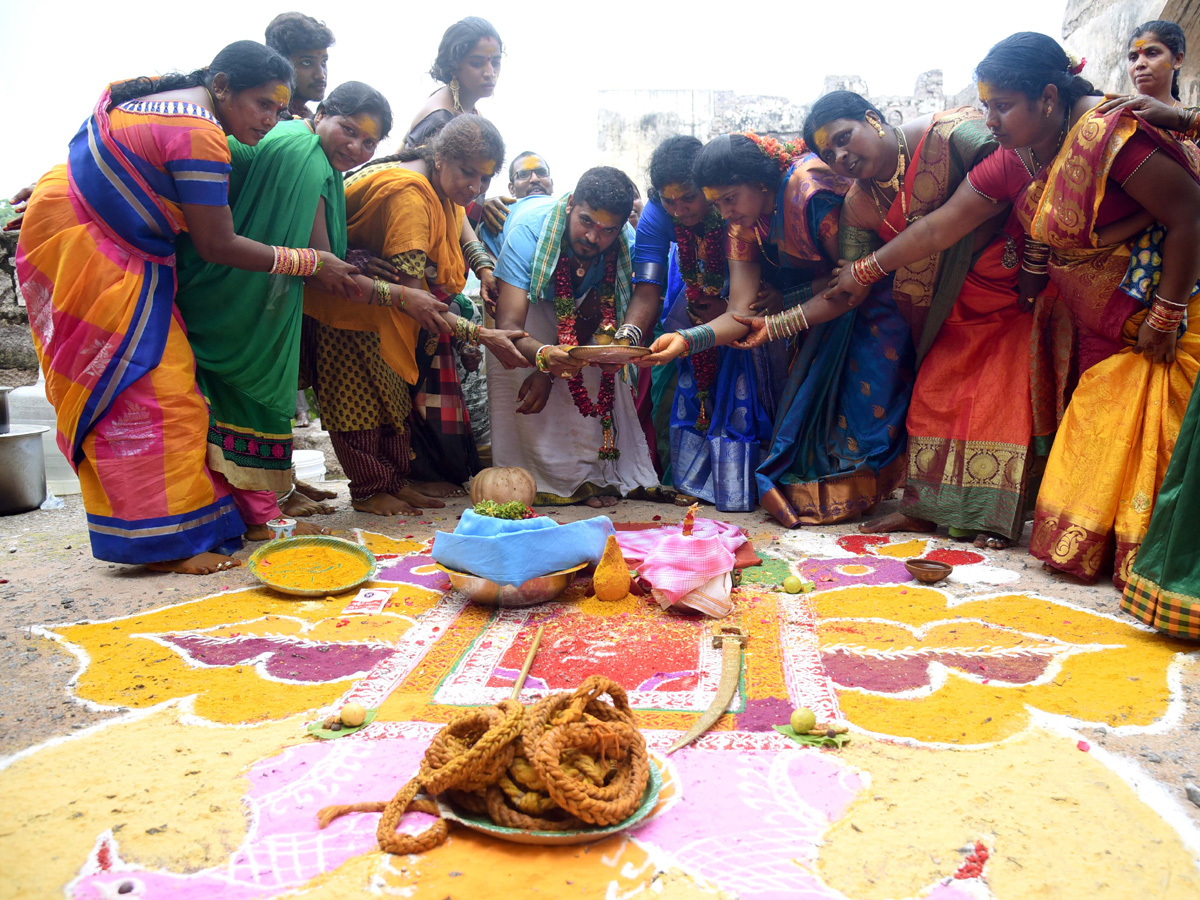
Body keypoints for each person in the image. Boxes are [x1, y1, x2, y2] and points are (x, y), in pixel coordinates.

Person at [824, 31, 1200, 587]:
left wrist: (1165, 315)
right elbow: (941, 225)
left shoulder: (1109, 136)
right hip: (1093, 311)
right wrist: (868, 269)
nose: (990, 120)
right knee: (1102, 431)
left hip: (1155, 310)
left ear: (1048, 98)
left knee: (1147, 430)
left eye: (1002, 106)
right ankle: (1114, 550)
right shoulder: (1018, 154)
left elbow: (1191, 212)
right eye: (986, 107)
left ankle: (1157, 556)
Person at [15, 41, 359, 574]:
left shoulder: (175, 104)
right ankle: (163, 545)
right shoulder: (199, 131)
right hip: (94, 243)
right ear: (221, 85)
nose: (271, 119)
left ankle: (189, 524)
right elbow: (217, 245)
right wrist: (309, 261)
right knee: (151, 393)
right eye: (262, 104)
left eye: (279, 108)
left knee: (165, 388)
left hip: (92, 228)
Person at [741, 92, 1030, 548]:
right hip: (942, 310)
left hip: (1008, 289)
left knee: (997, 398)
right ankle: (928, 510)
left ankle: (993, 518)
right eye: (829, 154)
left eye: (844, 138)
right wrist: (774, 326)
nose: (841, 157)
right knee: (934, 398)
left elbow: (1021, 173)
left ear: (873, 119)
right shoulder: (859, 204)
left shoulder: (951, 132)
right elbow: (847, 291)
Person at [640, 133, 909, 525]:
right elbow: (741, 312)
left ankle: (876, 494)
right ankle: (839, 497)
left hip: (874, 303)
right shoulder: (741, 225)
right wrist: (685, 340)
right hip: (812, 314)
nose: (724, 212)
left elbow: (850, 281)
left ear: (761, 183)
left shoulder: (809, 190)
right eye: (717, 203)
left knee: (864, 411)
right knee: (809, 418)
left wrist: (783, 312)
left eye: (730, 199)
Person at [173, 82, 391, 539]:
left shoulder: (309, 150)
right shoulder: (305, 157)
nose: (355, 147)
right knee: (248, 395)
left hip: (253, 286)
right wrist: (403, 298)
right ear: (323, 113)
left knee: (234, 403)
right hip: (243, 292)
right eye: (348, 130)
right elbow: (321, 265)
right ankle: (259, 515)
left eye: (369, 142)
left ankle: (258, 504)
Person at [304, 115, 526, 515]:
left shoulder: (439, 182)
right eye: (468, 173)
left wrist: (484, 268)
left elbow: (460, 227)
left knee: (390, 400)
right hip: (349, 308)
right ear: (441, 159)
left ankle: (392, 482)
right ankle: (370, 490)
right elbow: (417, 298)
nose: (475, 188)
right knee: (357, 404)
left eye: (485, 179)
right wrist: (481, 335)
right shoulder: (409, 194)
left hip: (385, 309)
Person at [490, 166, 660, 507]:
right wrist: (542, 361)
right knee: (516, 380)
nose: (593, 237)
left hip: (587, 306)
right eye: (586, 222)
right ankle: (530, 480)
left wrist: (620, 346)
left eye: (607, 230)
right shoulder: (528, 233)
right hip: (529, 300)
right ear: (569, 205)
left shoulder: (623, 244)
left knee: (596, 373)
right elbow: (507, 326)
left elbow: (637, 296)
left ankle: (590, 479)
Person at [624, 135, 772, 509]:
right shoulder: (658, 215)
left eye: (688, 198)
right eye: (668, 200)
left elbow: (752, 292)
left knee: (746, 388)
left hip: (747, 302)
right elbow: (647, 289)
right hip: (688, 304)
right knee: (676, 391)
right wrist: (627, 336)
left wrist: (736, 304)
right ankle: (685, 480)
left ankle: (744, 482)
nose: (679, 210)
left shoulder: (734, 211)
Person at [403, 17, 501, 150]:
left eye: (495, 63)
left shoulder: (466, 107)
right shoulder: (440, 121)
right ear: (453, 66)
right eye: (476, 64)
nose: (490, 73)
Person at [479, 151, 554, 257]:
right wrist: (481, 209)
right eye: (523, 175)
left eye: (541, 172)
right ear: (512, 188)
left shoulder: (570, 212)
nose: (535, 179)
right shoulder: (497, 217)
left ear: (552, 183)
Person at [264, 12, 334, 122]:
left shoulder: (308, 117)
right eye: (306, 62)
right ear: (281, 64)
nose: (320, 75)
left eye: (324, 62)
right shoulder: (270, 119)